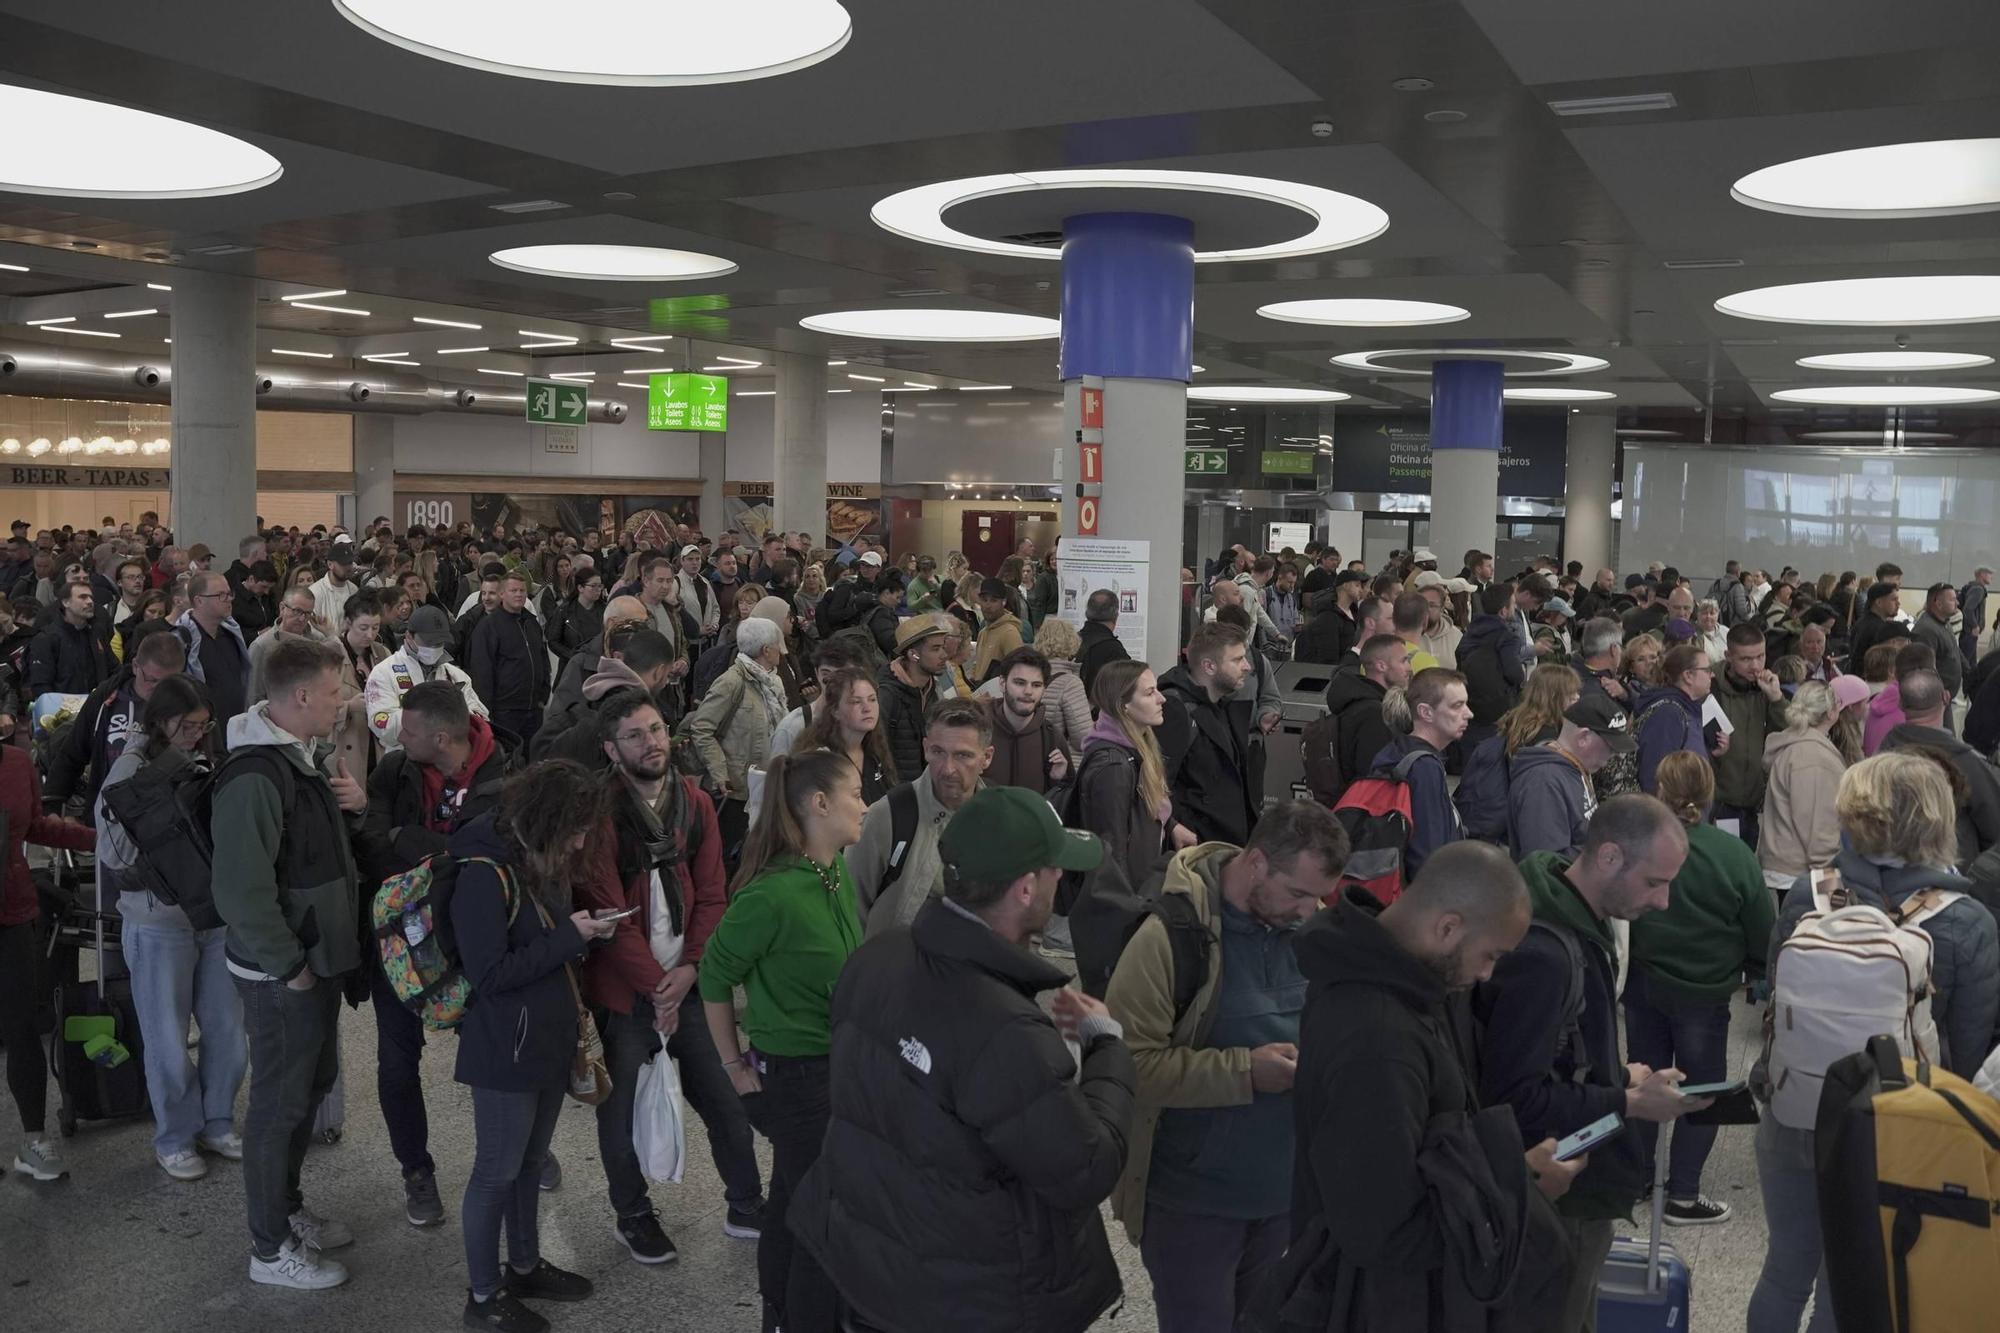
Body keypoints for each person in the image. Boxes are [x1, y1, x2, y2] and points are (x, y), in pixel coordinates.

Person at [789, 785, 1134, 1333]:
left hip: (864, 1261)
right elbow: (1085, 1169)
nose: (1060, 879)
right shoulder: (1006, 1031)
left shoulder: (877, 956)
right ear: (1025, 888)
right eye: (1053, 870)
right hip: (962, 1296)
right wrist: (1107, 1047)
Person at [1749, 752, 2000, 1333]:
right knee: (1853, 1289)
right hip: (1893, 1131)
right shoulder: (1967, 923)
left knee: (1784, 1271)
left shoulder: (1809, 895)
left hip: (1793, 1109)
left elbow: (1775, 997)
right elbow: (1963, 1055)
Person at [1289, 842, 1580, 1331]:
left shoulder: (1401, 985)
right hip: (1380, 1305)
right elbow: (1382, 1230)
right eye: (1489, 955)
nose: (1487, 974)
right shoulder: (1377, 1035)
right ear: (1448, 927)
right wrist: (1516, 1188)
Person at [1105, 803, 1349, 1333]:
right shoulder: (1169, 938)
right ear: (1256, 863)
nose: (1311, 911)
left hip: (1287, 1198)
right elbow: (1126, 1066)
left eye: (1320, 897)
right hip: (1193, 1205)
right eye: (1299, 894)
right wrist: (1243, 1071)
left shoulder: (1313, 934)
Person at [1479, 795, 1712, 1332]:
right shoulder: (1545, 953)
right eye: (1655, 882)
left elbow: (1560, 1054)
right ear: (1608, 857)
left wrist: (1618, 1076)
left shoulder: (1572, 917)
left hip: (1574, 1181)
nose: (1664, 902)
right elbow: (1515, 1098)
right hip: (1558, 1197)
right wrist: (1627, 1100)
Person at [575, 688, 765, 1265]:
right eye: (636, 734)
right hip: (624, 991)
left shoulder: (694, 802)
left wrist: (689, 971)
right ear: (611, 748)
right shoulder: (598, 812)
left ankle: (748, 1203)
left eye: (657, 729)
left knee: (727, 1098)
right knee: (621, 1109)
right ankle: (632, 1215)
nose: (652, 742)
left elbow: (712, 893)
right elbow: (608, 911)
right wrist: (657, 985)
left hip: (689, 985)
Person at [211, 637, 368, 1290]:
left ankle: (286, 1203)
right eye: (335, 692)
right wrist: (291, 967)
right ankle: (269, 1248)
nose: (343, 702)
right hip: (284, 974)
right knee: (278, 1103)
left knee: (308, 1087)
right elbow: (241, 891)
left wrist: (352, 808)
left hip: (314, 962)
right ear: (301, 696)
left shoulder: (300, 757)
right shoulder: (254, 775)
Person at [699, 749, 867, 1333]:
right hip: (796, 1078)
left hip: (835, 1067)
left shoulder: (834, 870)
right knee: (824, 1219)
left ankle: (777, 1311)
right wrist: (732, 1065)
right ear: (819, 804)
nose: (864, 804)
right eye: (855, 794)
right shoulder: (770, 895)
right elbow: (714, 977)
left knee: (794, 1202)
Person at [449, 762, 612, 1333]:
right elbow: (489, 973)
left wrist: (581, 932)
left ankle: (523, 1264)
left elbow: (543, 938)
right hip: (503, 1051)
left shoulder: (537, 864)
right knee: (495, 1171)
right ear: (545, 820)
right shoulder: (482, 873)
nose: (580, 840)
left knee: (527, 1165)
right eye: (575, 828)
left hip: (544, 1039)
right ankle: (484, 1296)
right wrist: (569, 937)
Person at [355, 681, 514, 1225]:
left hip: (475, 944)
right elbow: (370, 841)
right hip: (397, 944)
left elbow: (499, 853)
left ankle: (515, 1150)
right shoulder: (393, 770)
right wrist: (444, 850)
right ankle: (416, 1171)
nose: (397, 735)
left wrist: (410, 839)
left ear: (442, 736)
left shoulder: (505, 775)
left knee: (492, 1060)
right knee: (397, 1064)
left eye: (409, 729)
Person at [95, 675, 246, 1182]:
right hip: (157, 921)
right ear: (161, 721)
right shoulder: (129, 769)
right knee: (166, 1035)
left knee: (227, 1028)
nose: (196, 735)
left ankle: (218, 1119)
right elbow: (111, 853)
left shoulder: (203, 757)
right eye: (188, 726)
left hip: (214, 917)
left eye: (204, 727)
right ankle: (176, 1136)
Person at [1620, 751, 1775, 1230]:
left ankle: (1639, 1180)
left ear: (1658, 791)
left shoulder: (1638, 846)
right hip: (1704, 992)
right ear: (1711, 795)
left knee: (1642, 1081)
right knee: (1700, 1092)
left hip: (1643, 982)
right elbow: (1762, 930)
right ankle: (1683, 1193)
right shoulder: (1733, 856)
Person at [851, 696, 993, 937]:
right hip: (893, 968)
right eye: (938, 752)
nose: (947, 768)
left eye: (963, 756)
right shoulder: (888, 815)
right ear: (926, 748)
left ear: (986, 758)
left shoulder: (999, 819)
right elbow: (851, 908)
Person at [43, 631, 185, 820]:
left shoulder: (190, 703)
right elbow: (73, 752)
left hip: (166, 816)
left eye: (169, 683)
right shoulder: (106, 697)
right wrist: (52, 803)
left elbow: (210, 754)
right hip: (108, 813)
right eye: (152, 680)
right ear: (135, 666)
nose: (159, 690)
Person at [685, 615, 787, 849]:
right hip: (737, 791)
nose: (781, 652)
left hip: (766, 786)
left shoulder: (772, 683)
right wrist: (720, 773)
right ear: (766, 650)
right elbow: (702, 728)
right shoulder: (732, 681)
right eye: (777, 647)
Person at [1758, 677, 1868, 894]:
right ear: (1830, 713)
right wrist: (1832, 887)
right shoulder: (1813, 758)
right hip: (1801, 875)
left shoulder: (1796, 746)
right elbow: (1818, 828)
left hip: (1787, 870)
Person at [1880, 667, 2000, 862]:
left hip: (1891, 866)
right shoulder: (1968, 764)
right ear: (1945, 697)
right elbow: (1994, 827)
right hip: (1952, 871)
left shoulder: (1881, 755)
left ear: (1901, 704)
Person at [1158, 622, 1258, 847]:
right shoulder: (1175, 709)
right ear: (1209, 666)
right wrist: (1175, 825)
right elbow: (1155, 782)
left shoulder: (1222, 706)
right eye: (1237, 659)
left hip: (1223, 845)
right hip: (1196, 848)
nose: (1247, 666)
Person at [1371, 667, 1470, 879]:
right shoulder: (1424, 767)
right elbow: (1429, 852)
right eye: (1457, 706)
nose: (1469, 713)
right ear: (1426, 712)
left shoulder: (1395, 750)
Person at [1509, 694, 1629, 860]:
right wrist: (1606, 848)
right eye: (1610, 746)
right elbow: (1545, 865)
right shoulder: (1544, 783)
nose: (1614, 754)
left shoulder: (1575, 768)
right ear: (1584, 738)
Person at [362, 604, 487, 754]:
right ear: (409, 636)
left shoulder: (456, 676)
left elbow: (481, 717)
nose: (434, 647)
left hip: (450, 762)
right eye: (428, 642)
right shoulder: (383, 673)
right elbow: (382, 725)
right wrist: (433, 713)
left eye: (439, 642)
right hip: (406, 762)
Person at [1706, 622, 1787, 846]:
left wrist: (1777, 699)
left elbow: (1788, 732)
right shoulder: (1709, 687)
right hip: (1719, 801)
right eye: (1745, 659)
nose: (1755, 665)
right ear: (1728, 656)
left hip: (1755, 801)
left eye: (1760, 656)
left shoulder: (1765, 689)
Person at [467, 572, 551, 747]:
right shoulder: (488, 627)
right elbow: (482, 671)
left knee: (532, 758)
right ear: (502, 594)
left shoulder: (531, 623)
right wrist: (487, 711)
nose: (519, 594)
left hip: (534, 708)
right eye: (513, 590)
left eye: (522, 590)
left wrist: (543, 693)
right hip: (504, 711)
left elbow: (542, 658)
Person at [1323, 633, 1412, 797]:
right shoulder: (1374, 715)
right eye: (1403, 661)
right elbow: (1374, 779)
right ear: (1381, 665)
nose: (1409, 668)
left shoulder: (1359, 703)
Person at [797, 666, 896, 804]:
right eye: (856, 701)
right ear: (835, 711)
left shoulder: (875, 750)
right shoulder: (820, 759)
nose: (867, 708)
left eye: (872, 699)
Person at [981, 647, 1070, 795]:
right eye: (1020, 683)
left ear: (1044, 689)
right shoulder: (977, 729)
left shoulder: (1051, 737)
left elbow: (1064, 804)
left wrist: (1058, 780)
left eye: (1036, 685)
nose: (1028, 691)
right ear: (1002, 683)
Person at [172, 570, 252, 729]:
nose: (229, 599)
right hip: (204, 732)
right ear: (199, 601)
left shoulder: (232, 635)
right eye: (221, 595)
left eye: (229, 594)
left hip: (235, 729)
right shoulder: (181, 641)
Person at [875, 614, 949, 780]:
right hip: (898, 793)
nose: (944, 655)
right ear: (913, 655)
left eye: (943, 647)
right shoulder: (886, 694)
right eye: (936, 649)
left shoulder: (933, 688)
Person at [1456, 582, 1526, 751]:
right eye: (1513, 604)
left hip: (1470, 704)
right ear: (1503, 610)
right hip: (1499, 711)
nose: (1515, 607)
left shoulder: (1470, 633)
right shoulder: (1507, 637)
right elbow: (1514, 673)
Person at [27, 578, 113, 697]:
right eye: (83, 597)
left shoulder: (97, 633)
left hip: (98, 705)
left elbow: (114, 670)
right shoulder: (46, 639)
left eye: (91, 597)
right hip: (62, 709)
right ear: (66, 602)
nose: (90, 602)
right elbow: (41, 685)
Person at [969, 576, 1027, 685]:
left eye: (993, 600)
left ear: (1003, 602)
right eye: (984, 600)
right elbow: (978, 667)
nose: (988, 605)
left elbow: (1019, 671)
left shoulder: (1009, 632)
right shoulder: (983, 633)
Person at [1913, 580, 1963, 700]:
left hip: (1945, 697)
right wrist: (1938, 690)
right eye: (1952, 600)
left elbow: (1955, 649)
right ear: (1938, 604)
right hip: (1936, 697)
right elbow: (1925, 667)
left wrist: (1970, 671)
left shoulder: (1945, 623)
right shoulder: (1927, 630)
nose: (1958, 603)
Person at [1077, 588, 1129, 697]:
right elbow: (1126, 687)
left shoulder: (1072, 641)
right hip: (1100, 711)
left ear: (1087, 613)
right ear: (1116, 616)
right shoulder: (1114, 650)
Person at [549, 567, 607, 664]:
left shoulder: (605, 610)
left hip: (598, 664)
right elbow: (553, 641)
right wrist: (572, 656)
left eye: (600, 586)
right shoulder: (564, 611)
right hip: (572, 665)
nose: (598, 590)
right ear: (580, 588)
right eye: (593, 586)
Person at [308, 539, 359, 641]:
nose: (348, 567)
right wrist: (334, 636)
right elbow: (310, 629)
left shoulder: (354, 590)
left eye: (350, 563)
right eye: (343, 564)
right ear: (330, 565)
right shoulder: (315, 592)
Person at [1848, 579, 1904, 668]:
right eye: (1893, 599)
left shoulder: (1862, 622)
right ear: (1878, 602)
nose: (1898, 603)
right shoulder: (1879, 629)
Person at [1960, 565, 1992, 673]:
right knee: (1964, 664)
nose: (1991, 576)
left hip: (1970, 633)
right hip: (1970, 632)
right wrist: (1975, 626)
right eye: (1989, 573)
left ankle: (1973, 687)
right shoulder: (1978, 589)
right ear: (1982, 574)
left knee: (1971, 665)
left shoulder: (1973, 587)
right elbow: (1968, 609)